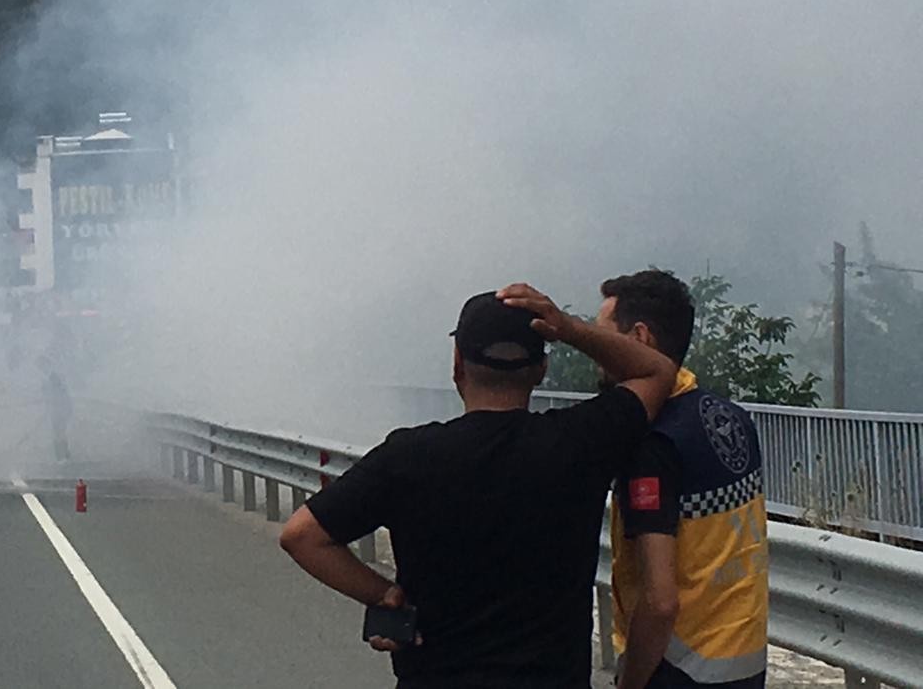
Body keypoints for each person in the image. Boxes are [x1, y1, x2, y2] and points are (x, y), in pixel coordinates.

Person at [280, 285, 677, 689]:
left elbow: (302, 536)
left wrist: (386, 595)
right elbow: (658, 371)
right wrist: (569, 328)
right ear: (541, 369)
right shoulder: (583, 440)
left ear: (457, 364)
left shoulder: (409, 456)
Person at [597, 271, 768, 689]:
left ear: (639, 337)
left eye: (601, 338)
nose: (594, 352)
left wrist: (630, 683)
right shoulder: (731, 418)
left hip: (679, 669)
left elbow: (660, 601)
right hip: (745, 663)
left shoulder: (653, 444)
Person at [39, 356, 73, 462]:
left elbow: (58, 394)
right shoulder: (52, 377)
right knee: (59, 433)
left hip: (60, 410)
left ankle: (62, 457)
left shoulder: (53, 377)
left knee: (59, 433)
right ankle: (63, 456)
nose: (40, 369)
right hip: (59, 410)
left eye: (41, 366)